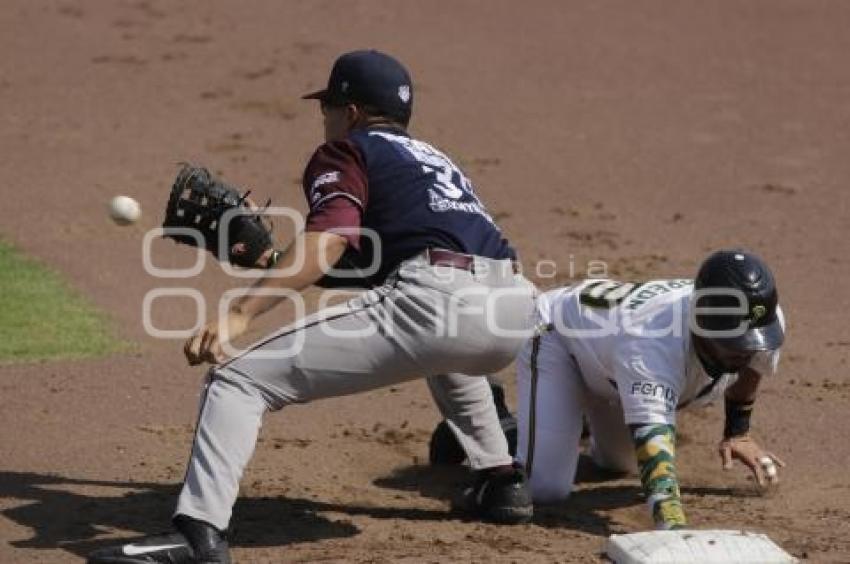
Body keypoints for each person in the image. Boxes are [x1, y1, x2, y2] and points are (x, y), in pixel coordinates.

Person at [88, 50, 537, 564]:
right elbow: (375, 264)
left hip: (440, 304)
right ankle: (501, 480)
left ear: (350, 112)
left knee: (237, 380)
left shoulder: (347, 151)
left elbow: (332, 241)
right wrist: (273, 259)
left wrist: (243, 312)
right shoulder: (434, 161)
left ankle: (197, 534)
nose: (324, 120)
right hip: (514, 309)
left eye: (327, 107)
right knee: (444, 344)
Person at [514, 249, 786, 530]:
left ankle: (566, 417)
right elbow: (655, 458)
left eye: (749, 343)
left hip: (613, 366)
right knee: (545, 488)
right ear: (701, 324)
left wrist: (738, 431)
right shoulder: (650, 346)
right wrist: (674, 531)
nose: (743, 353)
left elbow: (756, 362)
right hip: (558, 339)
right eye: (732, 343)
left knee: (619, 465)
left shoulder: (763, 317)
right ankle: (515, 428)